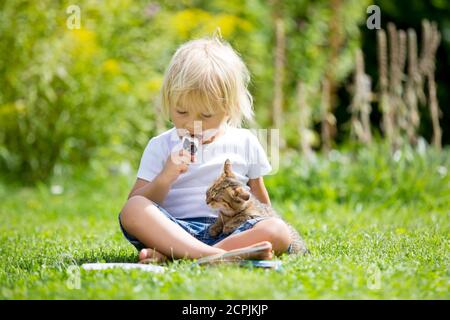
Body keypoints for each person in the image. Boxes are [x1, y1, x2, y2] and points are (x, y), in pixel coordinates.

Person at [118, 36, 293, 263]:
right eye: (181, 112)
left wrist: (264, 225)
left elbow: (260, 200)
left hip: (231, 230)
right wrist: (165, 178)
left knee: (278, 230)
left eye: (206, 115)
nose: (192, 124)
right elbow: (134, 204)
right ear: (169, 103)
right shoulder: (160, 146)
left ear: (230, 108)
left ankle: (178, 255)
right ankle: (212, 256)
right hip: (174, 230)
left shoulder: (245, 142)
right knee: (134, 209)